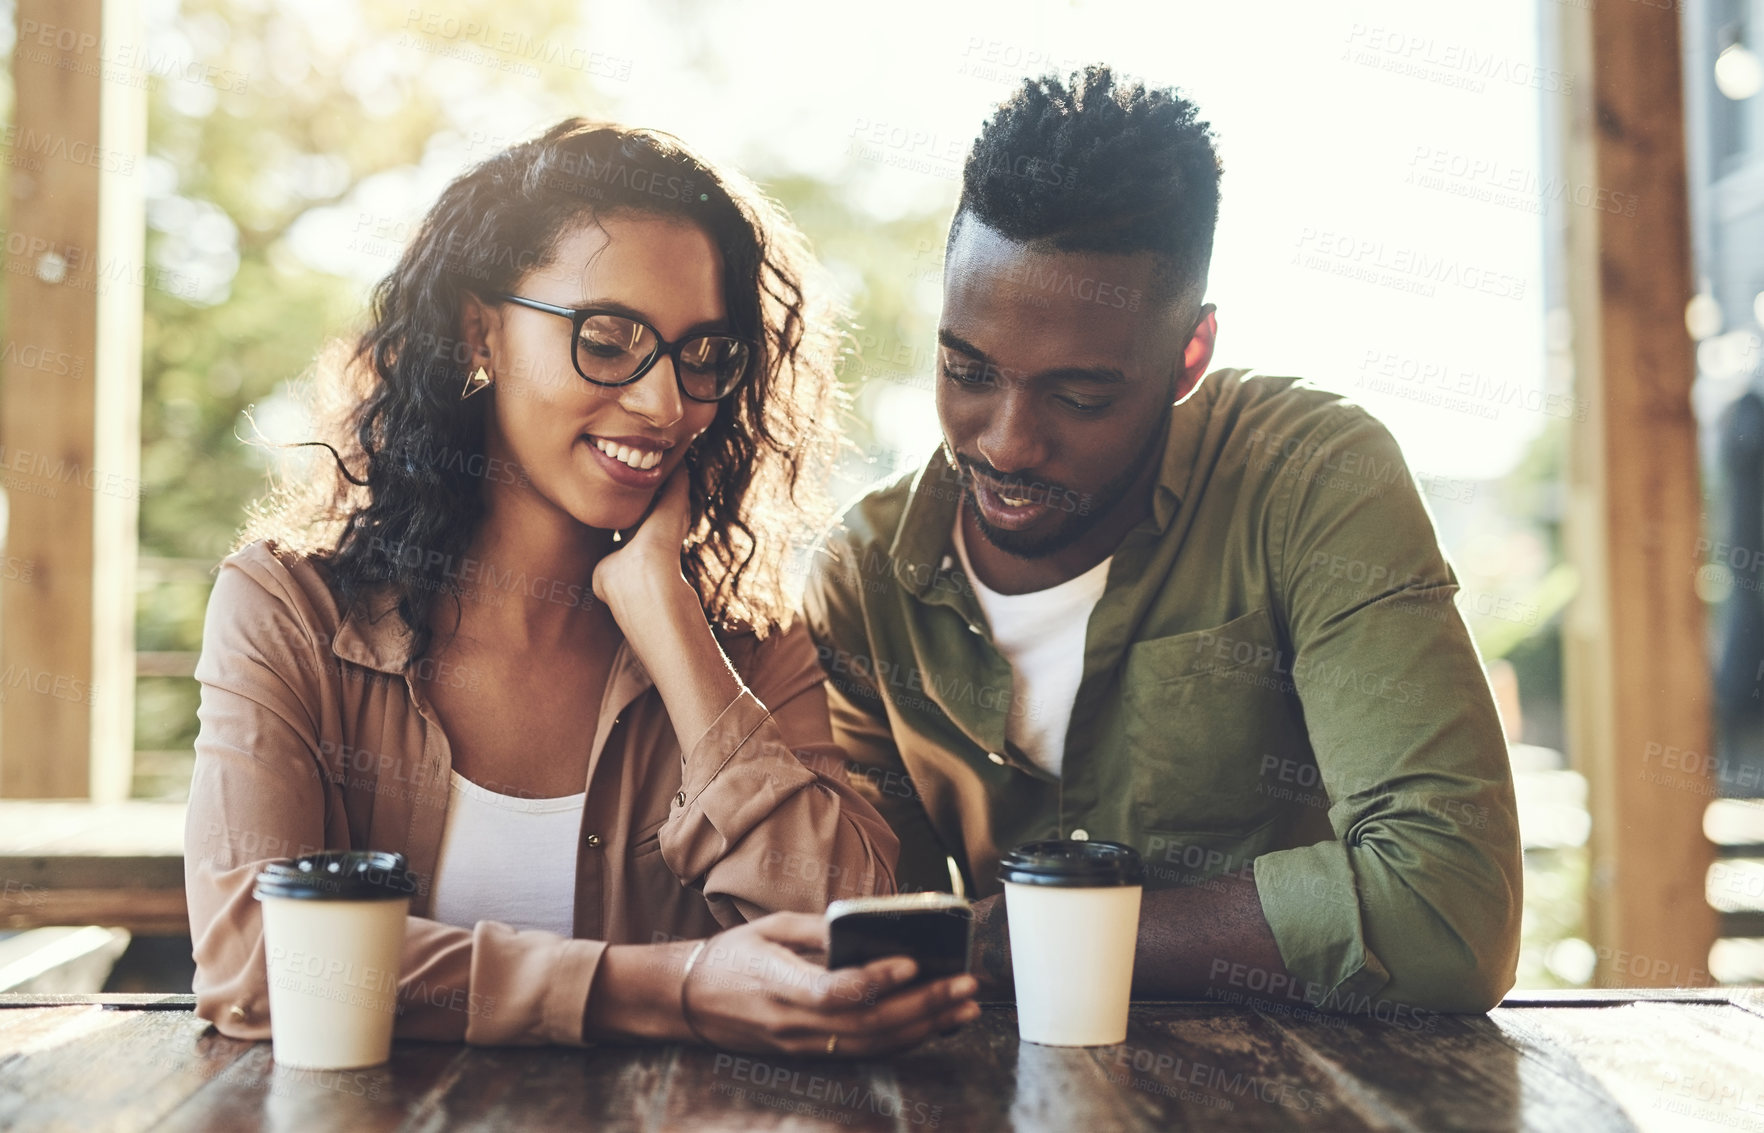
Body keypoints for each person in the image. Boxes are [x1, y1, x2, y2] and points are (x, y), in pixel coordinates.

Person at [185, 120, 979, 1054]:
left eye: (705, 356)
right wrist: (673, 986)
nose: (664, 403)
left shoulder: (750, 648)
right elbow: (257, 963)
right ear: (480, 326)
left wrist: (671, 624)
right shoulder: (288, 612)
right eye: (607, 339)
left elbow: (858, 942)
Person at [804, 67, 1523, 1015]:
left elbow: (1448, 910)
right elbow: (882, 948)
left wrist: (1023, 939)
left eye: (1082, 395)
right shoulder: (868, 578)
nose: (1008, 440)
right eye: (967, 369)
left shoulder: (1309, 478)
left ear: (1191, 355)